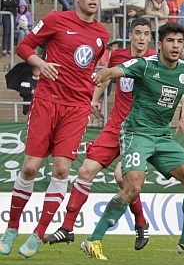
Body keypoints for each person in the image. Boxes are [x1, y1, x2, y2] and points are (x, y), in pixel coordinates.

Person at [82, 23, 184, 261]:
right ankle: (93, 240)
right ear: (160, 45)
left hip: (163, 137)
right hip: (137, 133)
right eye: (170, 41)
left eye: (179, 41)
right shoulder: (145, 65)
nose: (176, 46)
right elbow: (116, 71)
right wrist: (104, 74)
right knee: (133, 187)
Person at [0, 0, 109, 257]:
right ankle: (11, 228)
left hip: (77, 109)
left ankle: (38, 233)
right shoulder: (56, 19)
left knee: (61, 170)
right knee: (30, 169)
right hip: (47, 102)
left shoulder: (101, 34)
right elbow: (24, 47)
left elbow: (90, 69)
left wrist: (92, 97)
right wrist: (41, 63)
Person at [41, 19, 163, 249]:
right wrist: (94, 99)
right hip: (115, 125)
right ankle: (67, 228)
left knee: (121, 178)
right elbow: (104, 78)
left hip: (138, 130)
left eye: (146, 34)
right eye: (137, 33)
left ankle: (141, 222)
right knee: (85, 171)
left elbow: (178, 85)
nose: (141, 37)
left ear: (150, 37)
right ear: (130, 35)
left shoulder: (156, 61)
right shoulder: (118, 56)